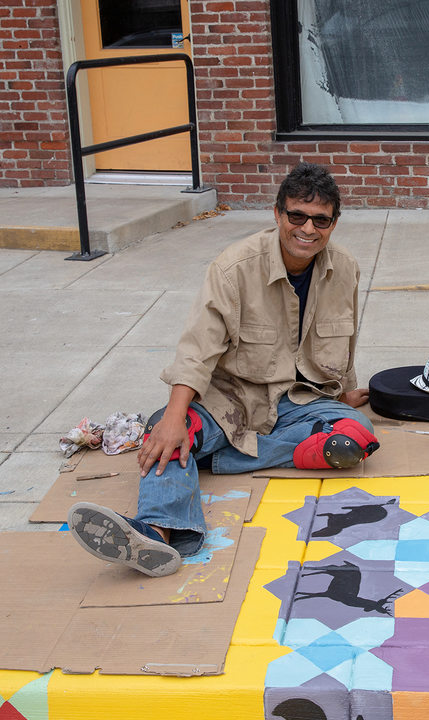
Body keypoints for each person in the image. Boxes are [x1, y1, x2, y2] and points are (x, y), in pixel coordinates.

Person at [68, 163, 379, 577]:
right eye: (297, 216)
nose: (308, 228)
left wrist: (342, 395)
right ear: (277, 214)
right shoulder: (233, 267)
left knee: (358, 435)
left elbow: (346, 340)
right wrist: (176, 418)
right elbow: (198, 348)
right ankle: (158, 532)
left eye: (320, 220)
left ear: (333, 223)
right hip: (230, 398)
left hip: (300, 401)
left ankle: (213, 458)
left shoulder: (345, 268)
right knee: (171, 433)